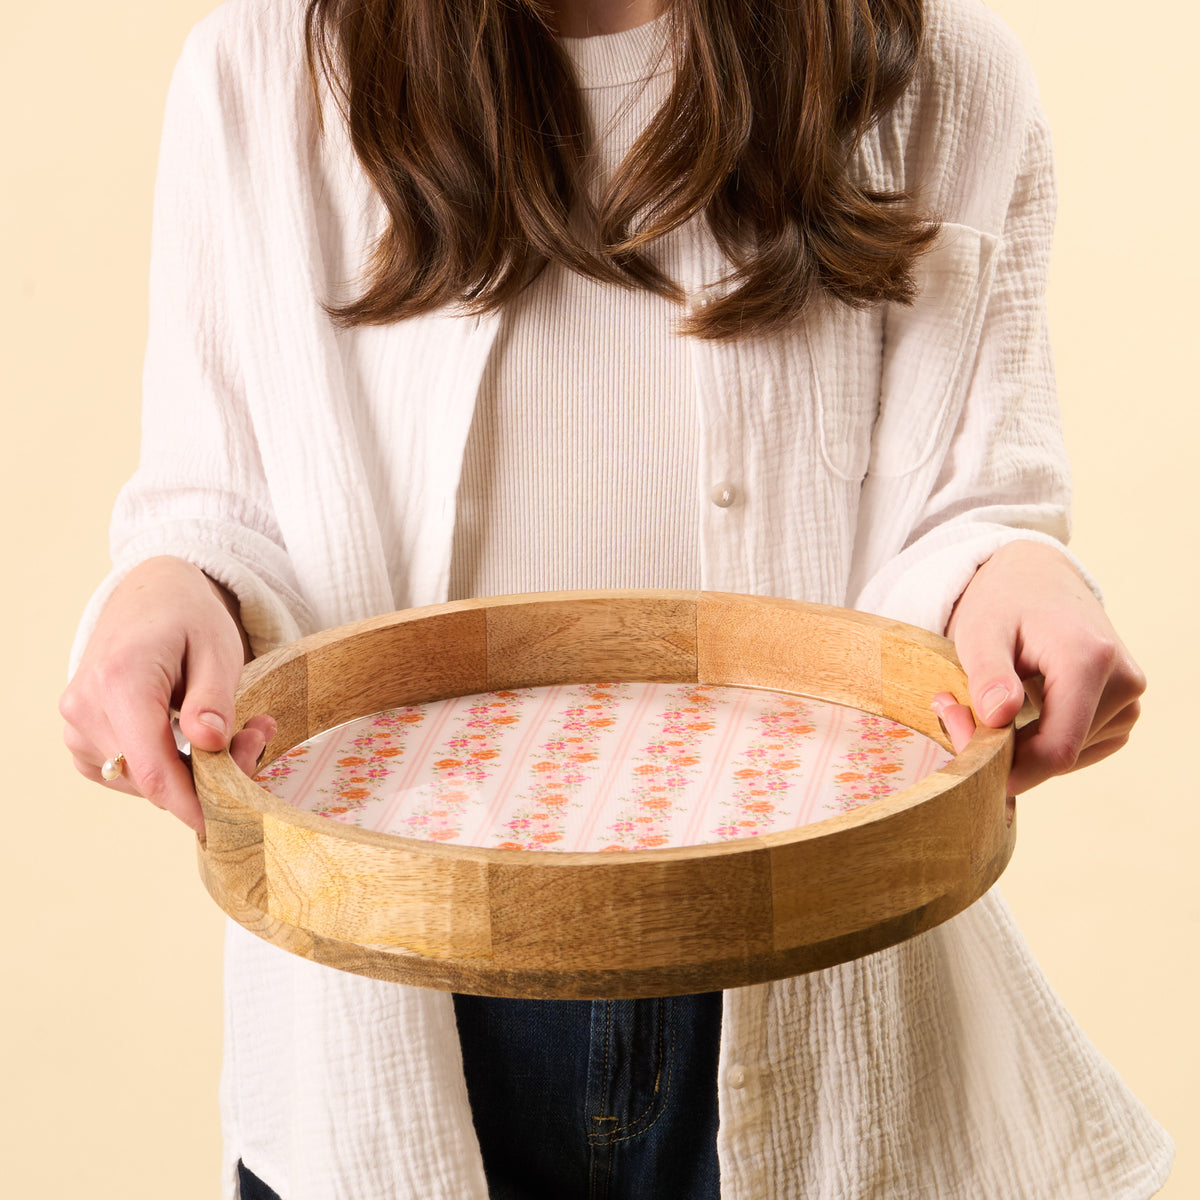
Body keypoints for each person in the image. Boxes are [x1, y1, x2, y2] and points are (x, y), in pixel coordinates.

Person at [60, 0, 1174, 1197]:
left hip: (810, 985)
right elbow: (214, 507)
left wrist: (1014, 578)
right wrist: (169, 595)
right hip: (381, 1004)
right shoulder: (262, 72)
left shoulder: (942, 74)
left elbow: (968, 510)